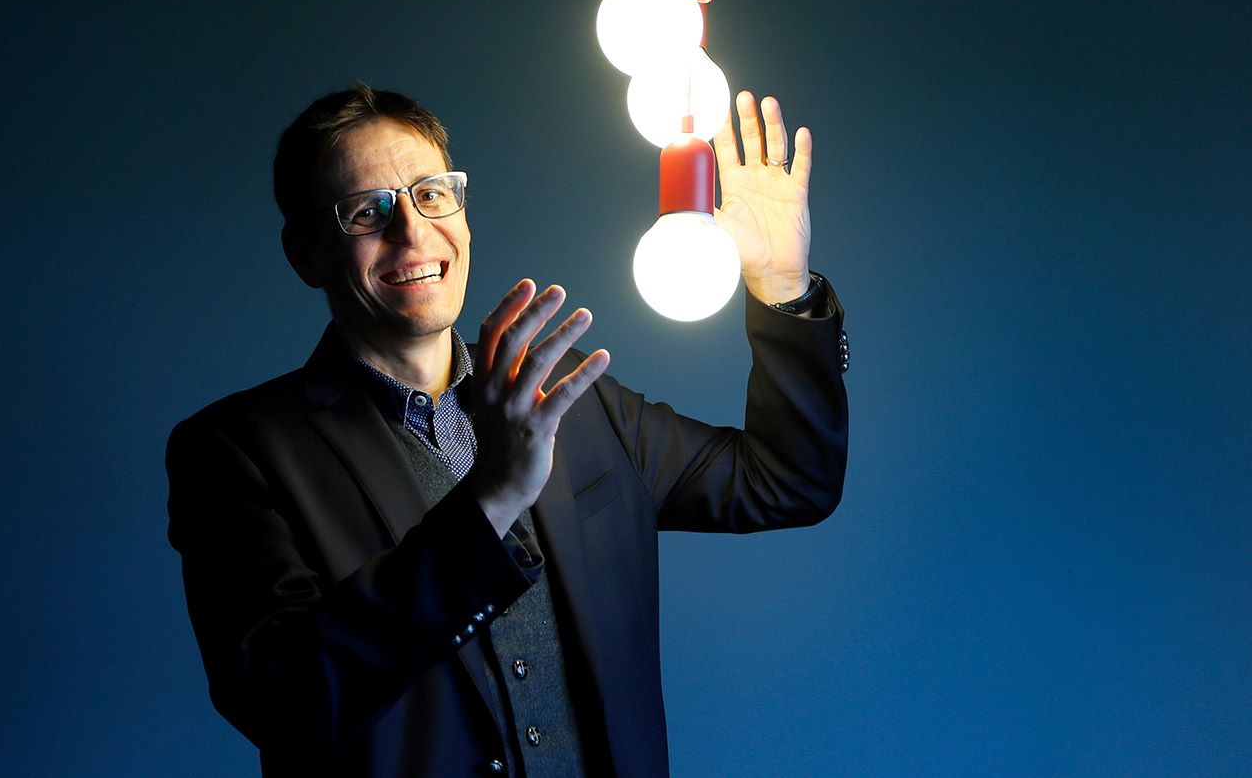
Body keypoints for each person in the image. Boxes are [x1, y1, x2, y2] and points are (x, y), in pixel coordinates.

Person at [166, 83, 850, 776]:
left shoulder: (572, 395)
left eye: (432, 193)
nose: (412, 232)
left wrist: (783, 286)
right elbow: (283, 701)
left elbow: (789, 480)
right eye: (366, 211)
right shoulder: (235, 450)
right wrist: (488, 499)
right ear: (306, 253)